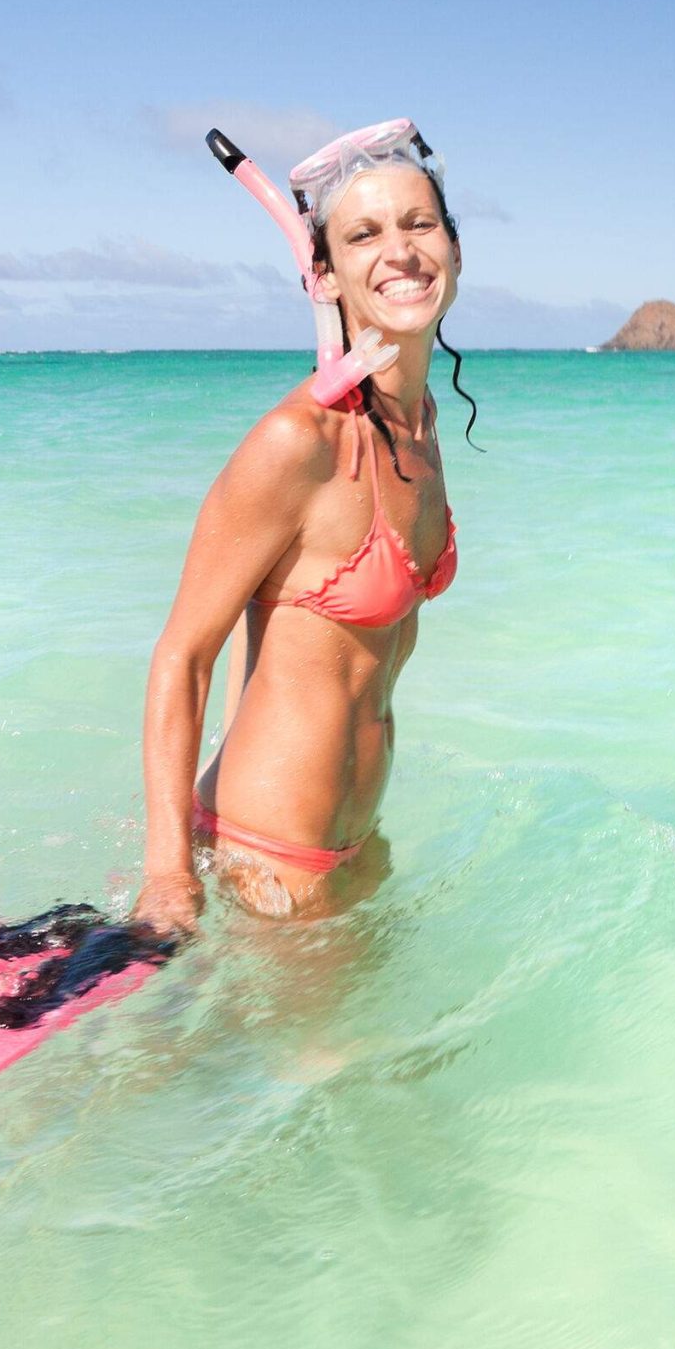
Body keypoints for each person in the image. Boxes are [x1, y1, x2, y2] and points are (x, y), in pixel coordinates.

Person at [133, 122, 476, 933]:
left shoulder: (421, 421)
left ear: (456, 250)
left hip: (359, 845)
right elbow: (182, 655)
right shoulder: (302, 443)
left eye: (419, 223)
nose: (400, 251)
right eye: (364, 234)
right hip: (268, 860)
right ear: (323, 272)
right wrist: (167, 879)